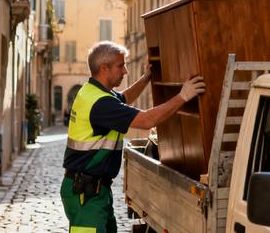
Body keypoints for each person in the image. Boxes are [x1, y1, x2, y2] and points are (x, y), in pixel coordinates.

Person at [60, 41, 205, 233]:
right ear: (104, 68)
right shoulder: (101, 104)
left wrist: (145, 79)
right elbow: (147, 120)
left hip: (92, 190)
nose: (125, 71)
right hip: (86, 194)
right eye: (121, 66)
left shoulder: (93, 92)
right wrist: (183, 96)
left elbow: (124, 98)